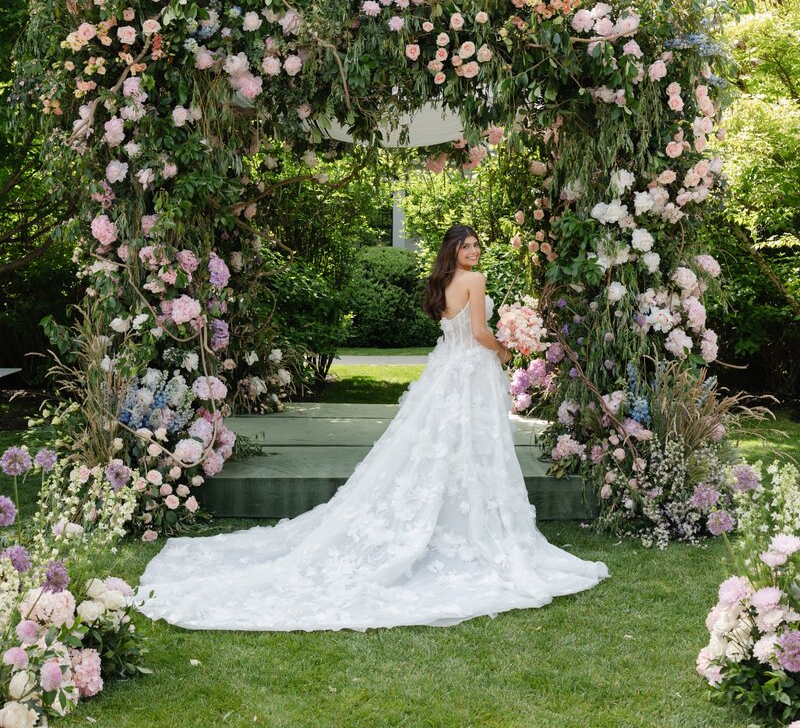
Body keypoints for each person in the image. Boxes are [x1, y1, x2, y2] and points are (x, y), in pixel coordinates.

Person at [136, 224, 609, 631]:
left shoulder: (443, 284)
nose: (475, 252)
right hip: (470, 371)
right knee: (467, 442)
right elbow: (481, 333)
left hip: (447, 371)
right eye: (467, 247)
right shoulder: (476, 281)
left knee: (445, 444)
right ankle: (473, 527)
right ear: (454, 251)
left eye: (477, 246)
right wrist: (506, 349)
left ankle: (459, 515)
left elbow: (455, 327)